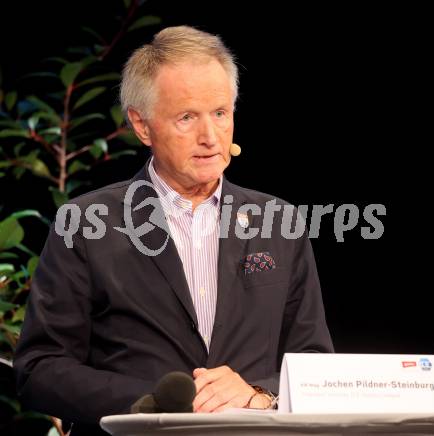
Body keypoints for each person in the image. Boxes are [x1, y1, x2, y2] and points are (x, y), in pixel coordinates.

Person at [14, 26, 333, 435]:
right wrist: (155, 401)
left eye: (220, 113)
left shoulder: (280, 221)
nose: (210, 137)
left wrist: (259, 392)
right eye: (186, 118)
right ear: (142, 125)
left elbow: (313, 362)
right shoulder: (85, 224)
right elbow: (40, 369)